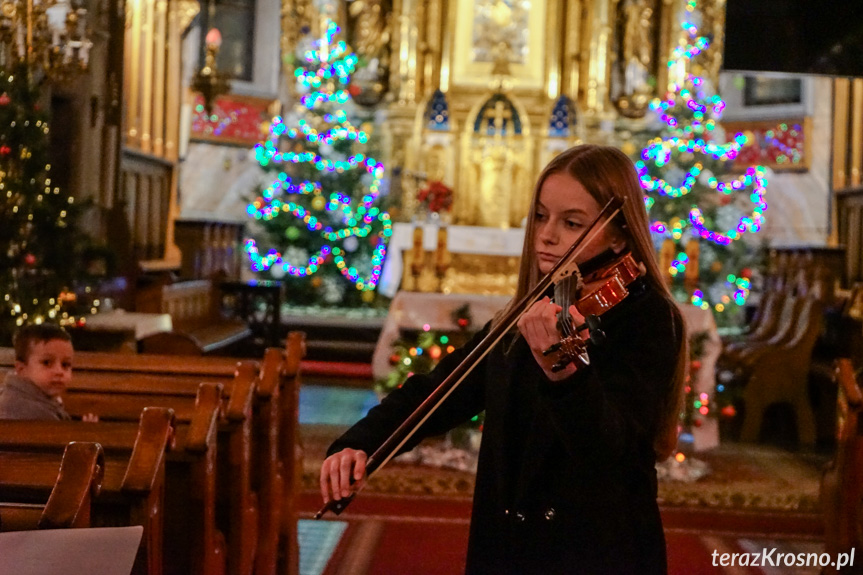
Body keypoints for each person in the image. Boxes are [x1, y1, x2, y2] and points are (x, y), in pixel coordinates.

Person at [319, 144, 688, 574]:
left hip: (593, 550)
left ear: (620, 232)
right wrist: (361, 444)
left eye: (572, 223)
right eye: (540, 216)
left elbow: (611, 453)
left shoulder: (648, 318)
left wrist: (563, 370)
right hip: (507, 545)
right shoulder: (536, 305)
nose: (547, 235)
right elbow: (442, 389)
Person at [0, 323, 96, 422]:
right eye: (47, 363)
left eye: (65, 365)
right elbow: (58, 437)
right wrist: (86, 436)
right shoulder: (31, 411)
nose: (59, 371)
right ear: (21, 369)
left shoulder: (36, 399)